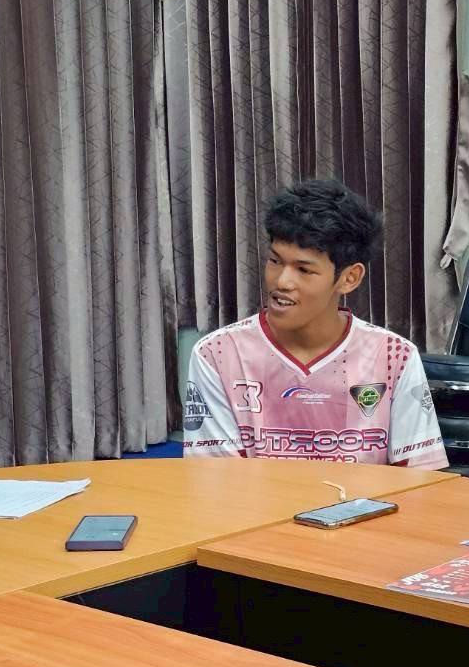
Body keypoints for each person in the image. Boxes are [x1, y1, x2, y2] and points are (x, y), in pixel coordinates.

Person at [183, 179, 448, 470]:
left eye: (304, 269)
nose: (282, 282)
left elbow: (420, 480)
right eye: (275, 261)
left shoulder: (394, 357)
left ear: (349, 278)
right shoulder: (218, 354)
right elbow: (215, 480)